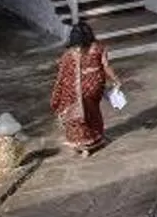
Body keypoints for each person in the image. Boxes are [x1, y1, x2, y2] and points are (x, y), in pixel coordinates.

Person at [48, 18, 113, 156]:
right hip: (95, 88)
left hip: (75, 91)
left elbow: (63, 74)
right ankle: (96, 137)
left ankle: (83, 142)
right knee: (93, 112)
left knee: (78, 114)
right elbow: (105, 67)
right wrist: (116, 80)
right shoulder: (99, 48)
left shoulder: (70, 54)